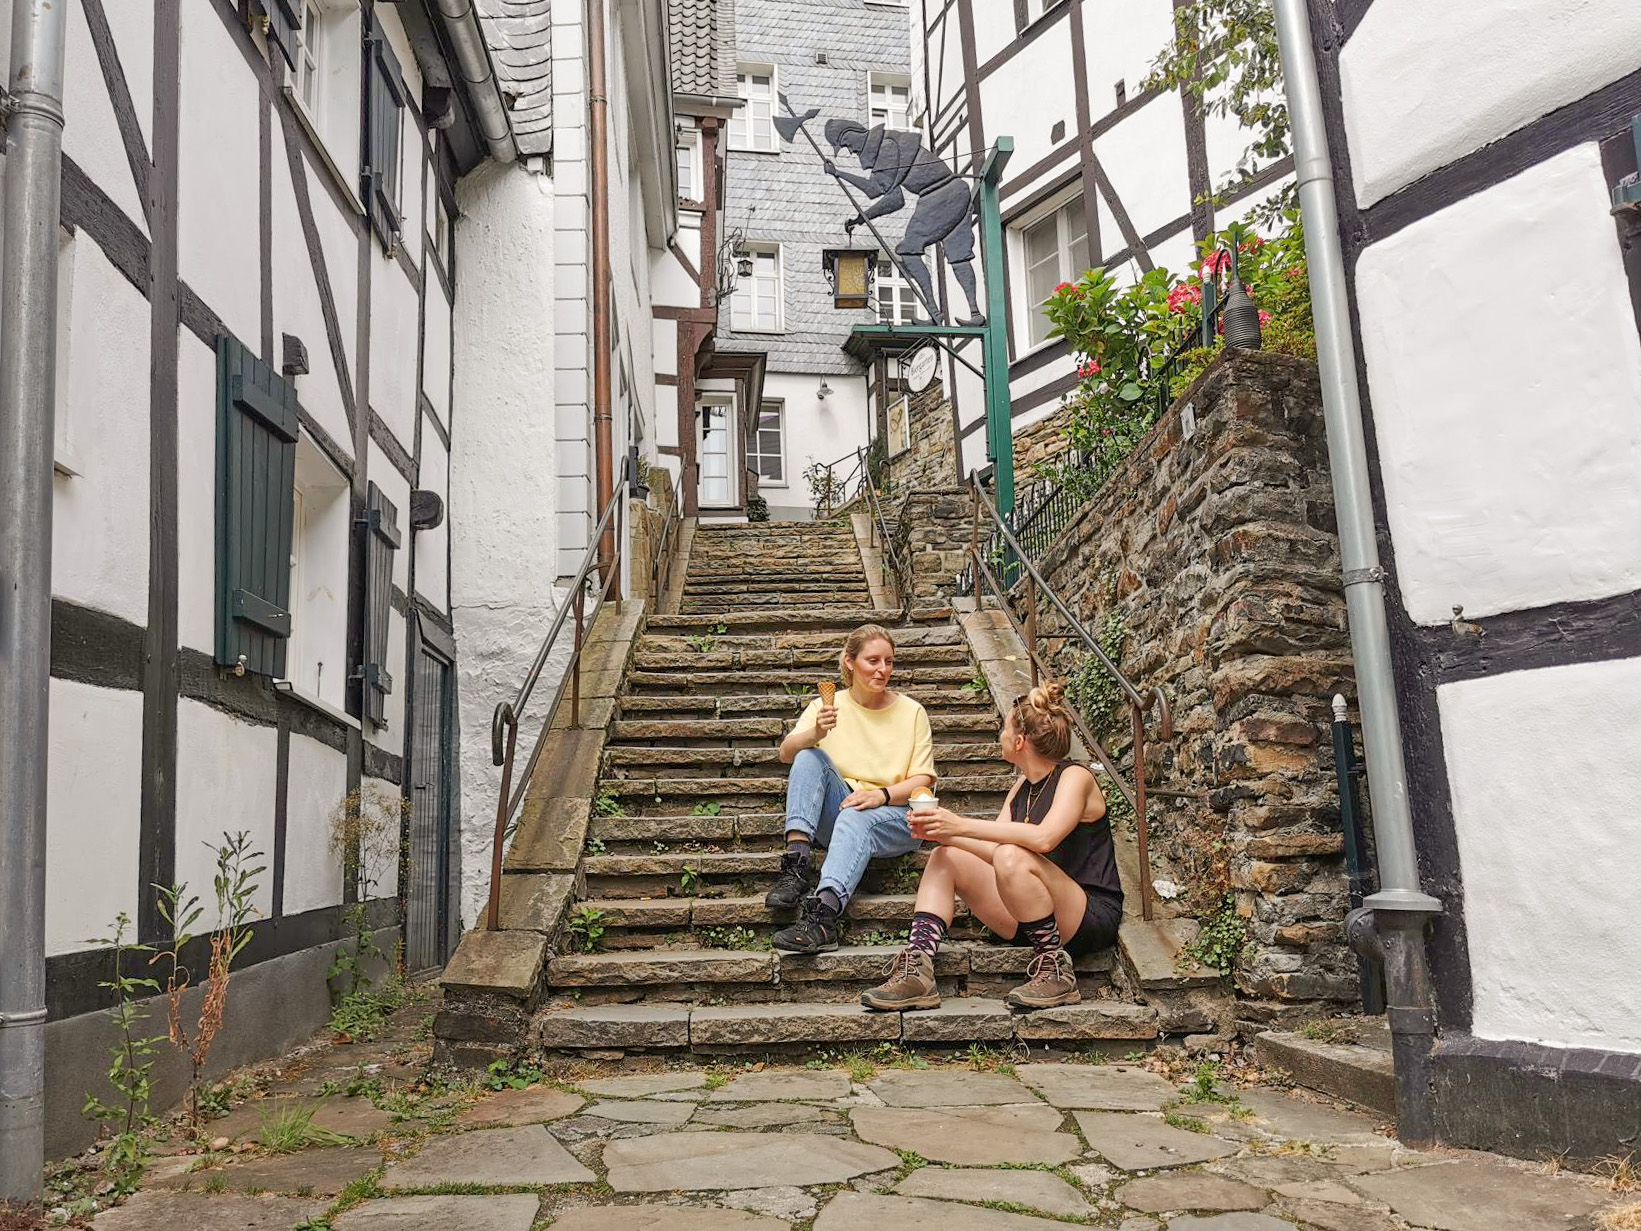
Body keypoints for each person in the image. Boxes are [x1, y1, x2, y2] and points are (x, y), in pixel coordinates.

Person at [860, 681, 1122, 1012]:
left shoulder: (1075, 777)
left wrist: (961, 824)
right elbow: (994, 852)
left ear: (1019, 741)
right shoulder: (1022, 787)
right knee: (946, 856)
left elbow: (1044, 839)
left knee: (1010, 854)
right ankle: (917, 970)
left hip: (1085, 914)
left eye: (1004, 728)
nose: (999, 735)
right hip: (1030, 914)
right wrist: (944, 835)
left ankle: (1055, 968)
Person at [767, 623, 936, 954]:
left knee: (857, 816)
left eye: (889, 661)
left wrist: (881, 795)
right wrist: (814, 733)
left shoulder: (912, 712)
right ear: (850, 662)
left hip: (898, 815)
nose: (883, 669)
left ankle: (823, 916)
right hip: (845, 809)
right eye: (873, 661)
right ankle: (797, 866)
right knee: (808, 757)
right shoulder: (827, 706)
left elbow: (923, 780)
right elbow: (786, 753)